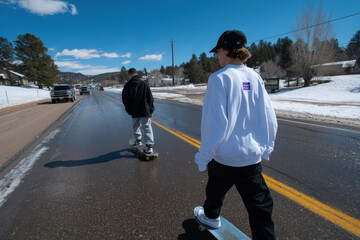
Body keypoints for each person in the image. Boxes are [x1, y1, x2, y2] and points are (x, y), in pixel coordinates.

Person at [194, 30, 278, 240]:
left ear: (225, 50)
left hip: (225, 157)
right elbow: (268, 116)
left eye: (217, 52)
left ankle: (211, 217)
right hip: (251, 157)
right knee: (260, 206)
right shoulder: (255, 76)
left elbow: (214, 125)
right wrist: (267, 147)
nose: (216, 56)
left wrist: (203, 158)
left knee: (215, 191)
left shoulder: (218, 79)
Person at [122, 68, 155, 154]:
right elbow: (150, 98)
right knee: (147, 127)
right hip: (145, 110)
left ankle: (138, 141)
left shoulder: (127, 86)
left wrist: (129, 110)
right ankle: (149, 147)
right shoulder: (144, 84)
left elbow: (125, 100)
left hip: (134, 111)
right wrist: (151, 110)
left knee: (136, 126)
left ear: (129, 75)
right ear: (136, 74)